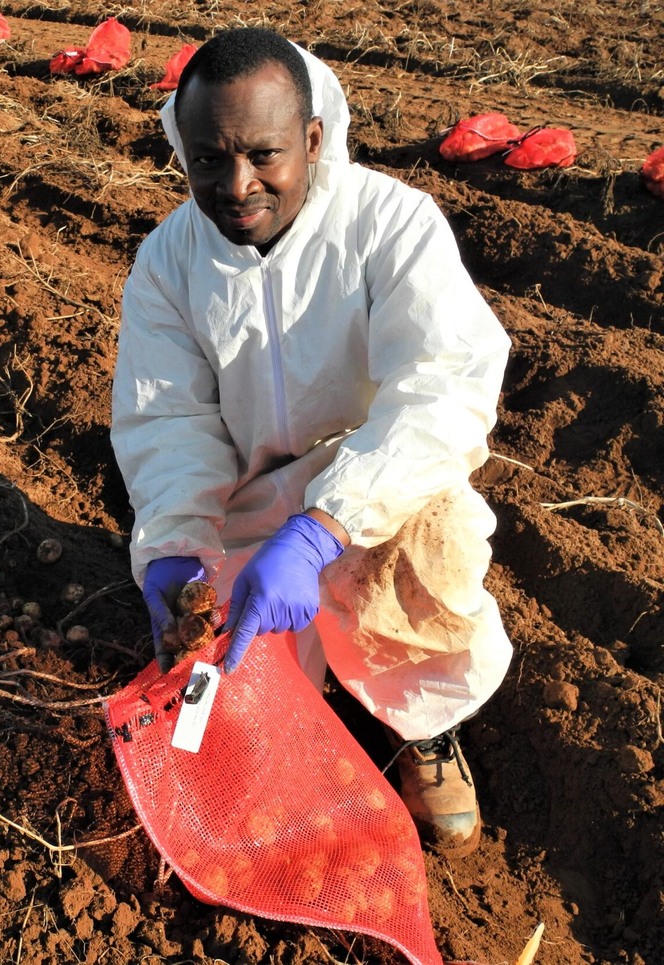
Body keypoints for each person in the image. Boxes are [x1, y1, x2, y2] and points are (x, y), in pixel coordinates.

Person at [110, 27, 512, 858]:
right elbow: (168, 421)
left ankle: (425, 726)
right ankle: (277, 699)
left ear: (314, 139)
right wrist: (179, 548)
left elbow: (443, 389)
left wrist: (325, 526)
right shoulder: (168, 262)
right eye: (209, 160)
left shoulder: (391, 226)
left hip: (377, 493)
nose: (237, 185)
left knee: (434, 541)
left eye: (264, 154)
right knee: (222, 689)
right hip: (249, 509)